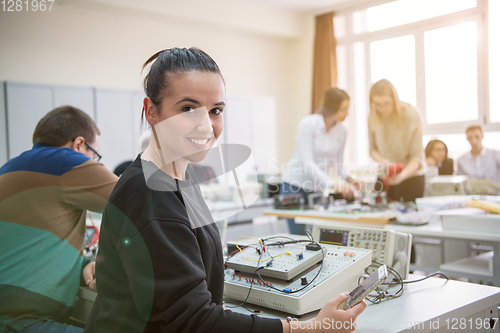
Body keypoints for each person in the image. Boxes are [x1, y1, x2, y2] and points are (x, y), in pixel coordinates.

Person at [84, 47, 365, 333]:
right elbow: (196, 322)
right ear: (151, 110)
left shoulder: (180, 176)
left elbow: (191, 295)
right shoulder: (151, 196)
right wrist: (313, 329)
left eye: (216, 110)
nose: (206, 126)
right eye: (187, 109)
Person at [0, 106, 118, 333]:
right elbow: (140, 201)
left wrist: (84, 265)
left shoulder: (9, 168)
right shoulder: (65, 161)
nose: (93, 162)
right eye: (93, 154)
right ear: (79, 144)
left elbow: (25, 251)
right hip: (19, 322)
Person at [281, 87, 357, 235]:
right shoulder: (308, 124)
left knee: (317, 236)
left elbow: (338, 163)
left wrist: (350, 179)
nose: (347, 114)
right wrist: (333, 185)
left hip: (317, 189)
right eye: (343, 109)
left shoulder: (342, 130)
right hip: (294, 186)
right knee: (299, 238)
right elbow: (307, 163)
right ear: (332, 108)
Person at [368, 79, 425, 202]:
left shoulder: (412, 115)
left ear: (394, 99)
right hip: (384, 178)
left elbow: (417, 157)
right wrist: (383, 161)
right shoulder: (372, 115)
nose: (382, 108)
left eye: (386, 103)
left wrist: (402, 175)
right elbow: (372, 149)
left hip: (410, 178)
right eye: (377, 104)